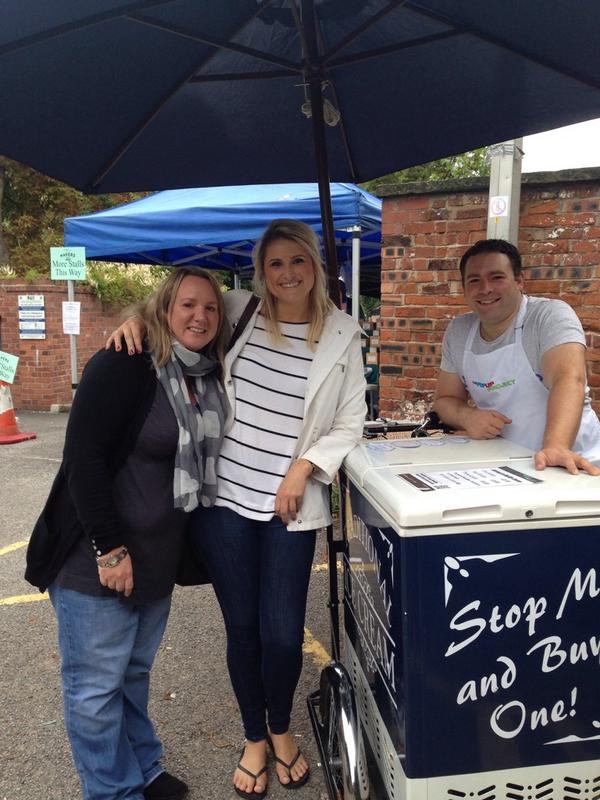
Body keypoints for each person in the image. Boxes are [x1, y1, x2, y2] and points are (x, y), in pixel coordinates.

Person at [108, 219, 367, 799]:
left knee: (283, 635)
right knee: (243, 629)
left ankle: (281, 728)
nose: (287, 274)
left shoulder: (343, 334)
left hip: (289, 508)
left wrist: (305, 467)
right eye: (275, 264)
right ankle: (256, 737)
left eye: (297, 261)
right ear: (261, 272)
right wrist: (135, 321)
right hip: (222, 501)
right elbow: (176, 314)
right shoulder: (238, 308)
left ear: (314, 265)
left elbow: (351, 421)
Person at [25, 268, 229, 800]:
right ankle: (113, 791)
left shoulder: (205, 373)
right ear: (163, 308)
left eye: (210, 307)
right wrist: (110, 550)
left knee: (132, 674)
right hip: (97, 559)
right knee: (94, 690)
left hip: (156, 559)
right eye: (187, 305)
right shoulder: (124, 362)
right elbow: (83, 459)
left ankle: (143, 767)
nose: (200, 316)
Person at [433, 238, 600, 474]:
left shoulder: (548, 316)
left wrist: (556, 446)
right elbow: (445, 399)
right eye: (474, 280)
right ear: (464, 288)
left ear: (519, 281)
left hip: (573, 463)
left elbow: (568, 379)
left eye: (496, 277)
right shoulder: (459, 331)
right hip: (507, 465)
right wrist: (468, 417)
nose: (485, 288)